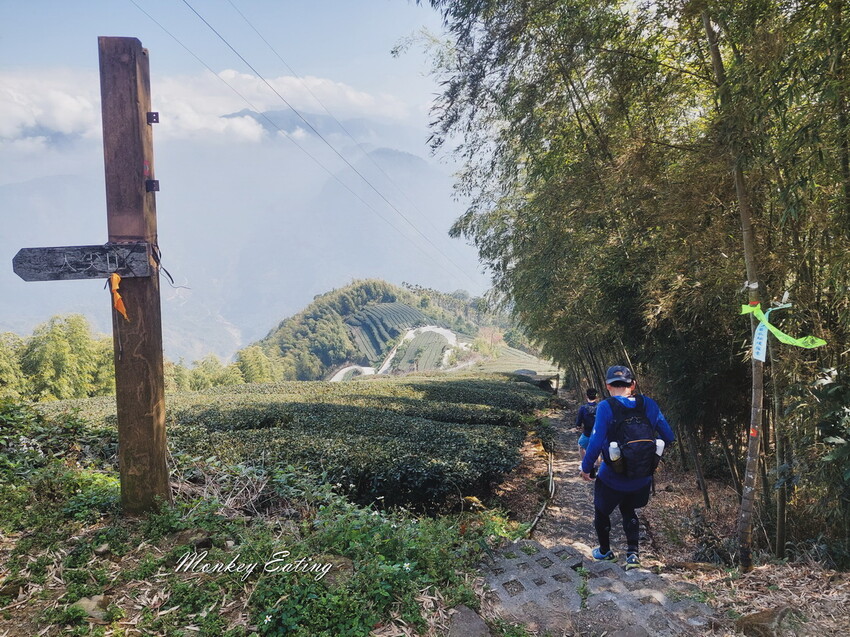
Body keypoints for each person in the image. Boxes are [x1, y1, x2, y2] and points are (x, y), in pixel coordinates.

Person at [579, 365, 675, 570]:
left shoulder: (606, 406)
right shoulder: (649, 404)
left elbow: (595, 442)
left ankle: (605, 552)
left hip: (612, 477)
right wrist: (642, 454)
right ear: (633, 384)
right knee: (629, 510)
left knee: (601, 512)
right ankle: (633, 555)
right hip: (641, 478)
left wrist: (586, 468)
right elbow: (668, 436)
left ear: (608, 386)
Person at [575, 387, 599, 461]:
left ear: (586, 396)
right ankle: (598, 465)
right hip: (598, 434)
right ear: (596, 397)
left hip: (587, 434)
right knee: (598, 450)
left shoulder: (583, 408)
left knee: (580, 445)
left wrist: (578, 427)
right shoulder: (600, 407)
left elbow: (578, 423)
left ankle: (584, 462)